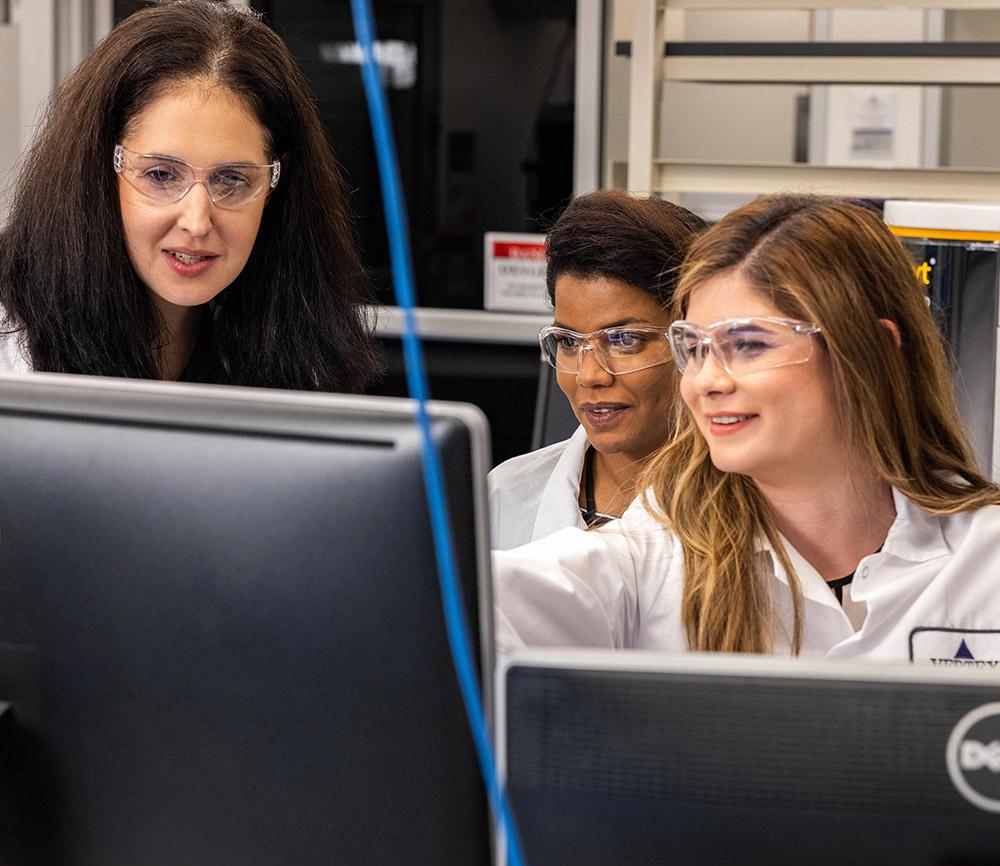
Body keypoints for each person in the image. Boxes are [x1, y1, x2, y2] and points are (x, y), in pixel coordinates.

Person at [494, 193, 1000, 665]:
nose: (706, 382)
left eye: (749, 344)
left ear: (869, 351)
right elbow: (483, 603)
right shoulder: (657, 554)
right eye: (695, 347)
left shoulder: (985, 557)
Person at [0, 0, 379, 391]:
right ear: (100, 169)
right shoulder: (11, 343)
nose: (197, 222)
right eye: (161, 175)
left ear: (276, 184)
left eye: (231, 180)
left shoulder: (291, 339)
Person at [488, 190, 707, 549]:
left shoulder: (761, 503)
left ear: (694, 341)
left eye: (623, 340)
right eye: (570, 342)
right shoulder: (505, 496)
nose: (590, 376)